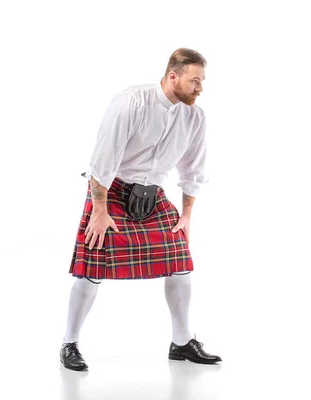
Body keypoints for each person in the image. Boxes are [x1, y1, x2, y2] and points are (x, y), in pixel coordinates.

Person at [60, 48, 221, 371]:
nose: (200, 88)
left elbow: (193, 169)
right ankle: (69, 343)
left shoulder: (194, 116)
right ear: (173, 76)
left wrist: (186, 215)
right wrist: (99, 210)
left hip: (152, 195)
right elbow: (102, 161)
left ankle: (182, 341)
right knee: (92, 268)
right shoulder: (130, 102)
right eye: (195, 81)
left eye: (202, 81)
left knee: (181, 263)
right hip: (111, 189)